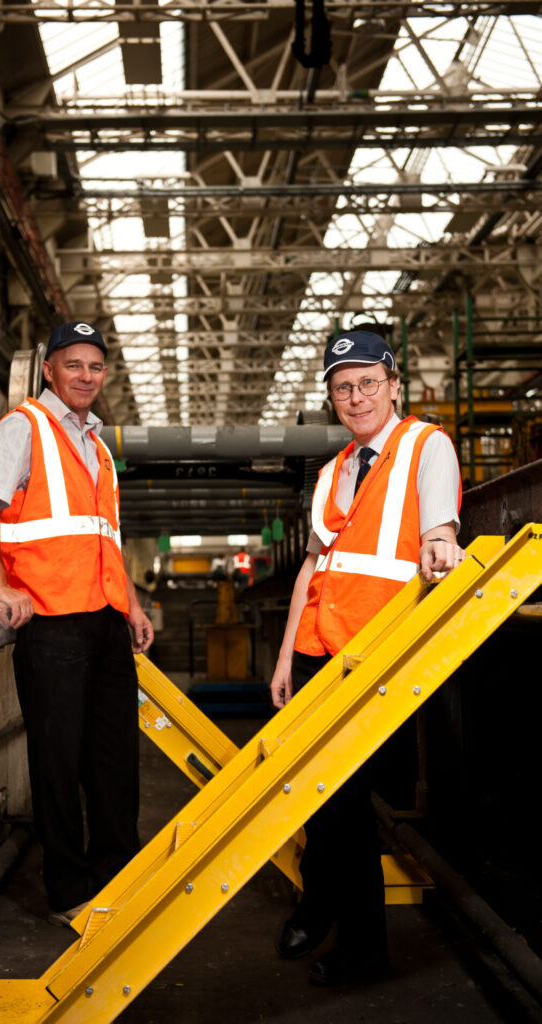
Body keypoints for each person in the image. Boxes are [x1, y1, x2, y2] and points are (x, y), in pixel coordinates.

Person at [269, 330, 464, 986]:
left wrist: (441, 544)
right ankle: (326, 904)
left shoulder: (424, 445)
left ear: (393, 382)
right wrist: (284, 657)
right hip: (321, 649)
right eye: (343, 387)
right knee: (320, 791)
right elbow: (314, 567)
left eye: (367, 383)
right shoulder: (333, 470)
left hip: (380, 652)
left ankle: (353, 944)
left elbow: (439, 525)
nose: (356, 397)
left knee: (344, 803)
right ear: (331, 397)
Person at [0, 320, 153, 927]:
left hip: (102, 620)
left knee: (115, 756)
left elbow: (103, 537)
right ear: (49, 369)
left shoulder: (97, 446)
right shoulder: (25, 427)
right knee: (58, 760)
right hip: (49, 623)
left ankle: (118, 877)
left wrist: (132, 604)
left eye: (96, 368)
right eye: (74, 365)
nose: (86, 377)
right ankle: (70, 891)